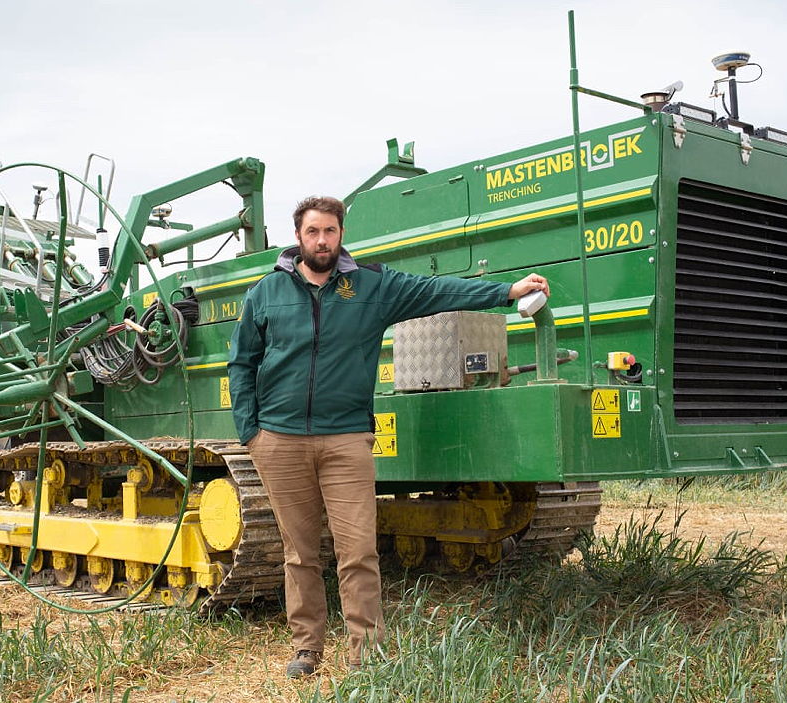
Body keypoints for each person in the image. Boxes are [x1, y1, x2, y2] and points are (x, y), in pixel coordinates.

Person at [227, 195, 549, 678]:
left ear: (340, 234)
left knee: (357, 549)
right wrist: (252, 432)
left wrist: (505, 291)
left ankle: (366, 649)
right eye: (313, 232)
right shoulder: (266, 293)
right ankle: (307, 648)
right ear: (297, 237)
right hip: (281, 441)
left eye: (330, 231)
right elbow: (242, 362)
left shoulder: (371, 287)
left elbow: (435, 291)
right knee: (300, 552)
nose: (322, 240)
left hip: (346, 440)